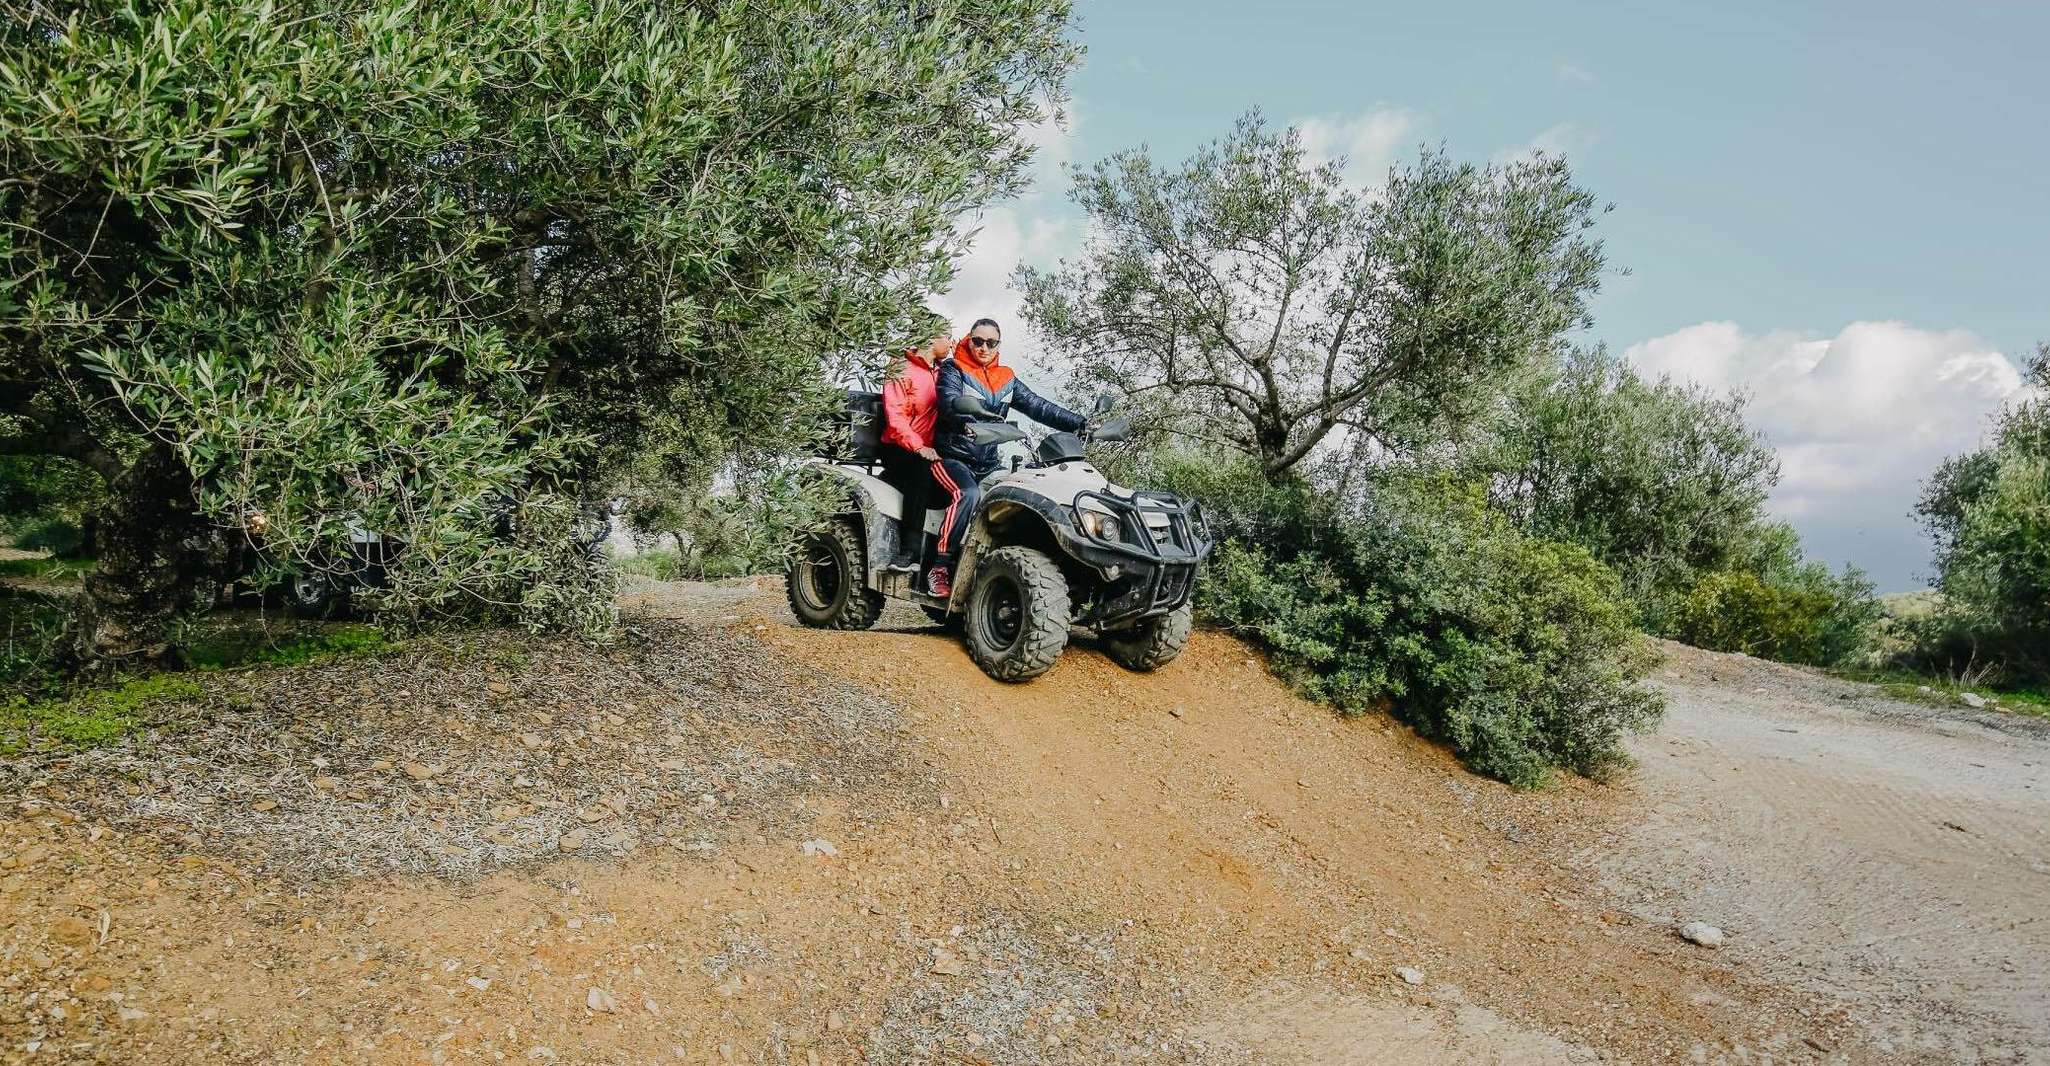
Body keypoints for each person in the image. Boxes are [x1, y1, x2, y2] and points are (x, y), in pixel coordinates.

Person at [928, 317, 1087, 597]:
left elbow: (1038, 406)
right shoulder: (954, 369)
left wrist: (1078, 422)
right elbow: (949, 401)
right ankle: (939, 567)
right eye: (978, 341)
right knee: (968, 494)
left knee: (1019, 492)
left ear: (998, 344)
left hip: (988, 463)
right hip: (952, 458)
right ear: (969, 339)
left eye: (991, 342)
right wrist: (970, 418)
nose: (983, 347)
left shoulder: (1005, 379)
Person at [879, 327, 951, 572]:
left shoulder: (942, 371)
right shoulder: (901, 367)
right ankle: (909, 551)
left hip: (929, 448)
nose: (952, 342)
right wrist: (919, 447)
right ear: (931, 338)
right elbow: (895, 416)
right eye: (948, 337)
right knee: (922, 471)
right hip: (899, 446)